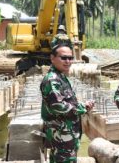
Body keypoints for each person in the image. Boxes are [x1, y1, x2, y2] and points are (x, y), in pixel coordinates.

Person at [40, 34, 94, 163]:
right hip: (62, 136)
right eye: (64, 58)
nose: (68, 61)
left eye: (70, 58)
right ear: (52, 58)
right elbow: (58, 106)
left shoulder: (61, 77)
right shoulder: (52, 79)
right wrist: (82, 107)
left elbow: (66, 102)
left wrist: (80, 104)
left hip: (66, 135)